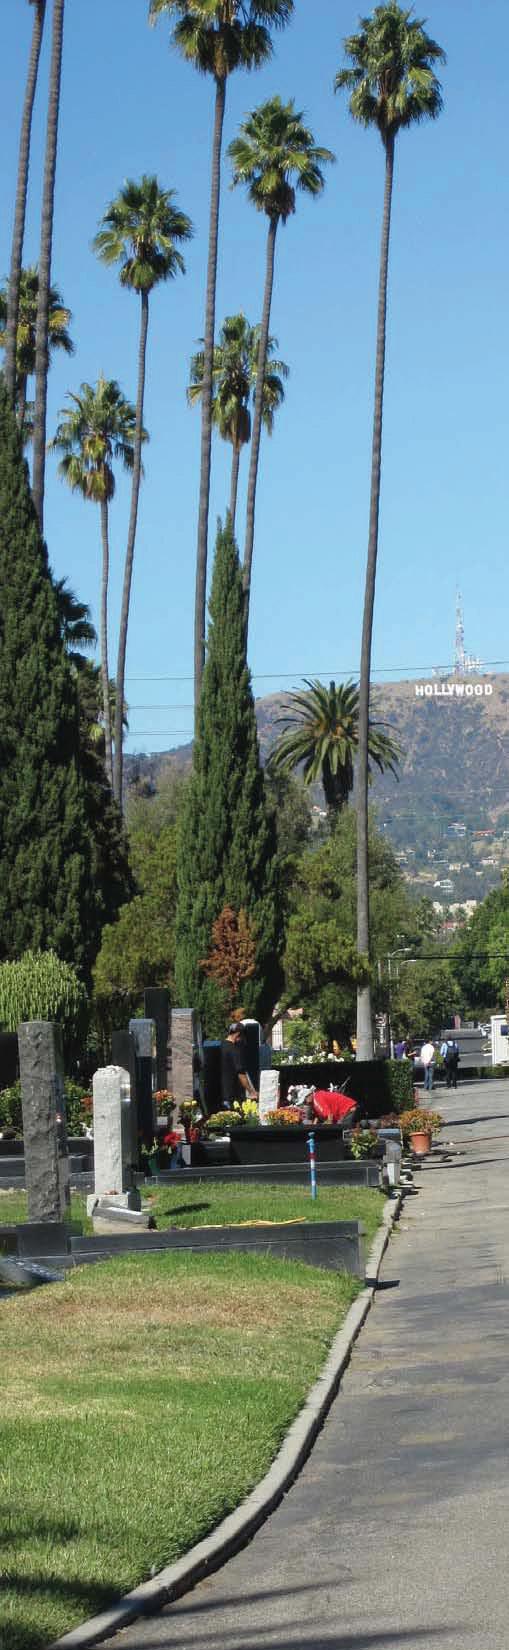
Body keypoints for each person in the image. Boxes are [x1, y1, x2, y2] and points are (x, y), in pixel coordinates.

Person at [220, 1024, 257, 1109]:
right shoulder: (233, 1050)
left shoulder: (222, 1045)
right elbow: (241, 1074)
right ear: (238, 1034)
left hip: (222, 1094)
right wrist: (251, 1092)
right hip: (232, 1096)